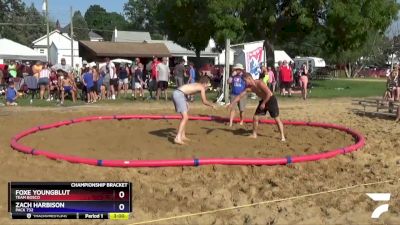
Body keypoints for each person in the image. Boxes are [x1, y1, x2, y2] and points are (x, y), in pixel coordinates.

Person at [228, 72, 286, 141]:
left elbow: (268, 93)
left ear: (249, 78)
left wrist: (263, 103)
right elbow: (240, 95)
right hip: (263, 101)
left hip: (271, 100)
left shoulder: (260, 83)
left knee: (276, 119)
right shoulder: (249, 88)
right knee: (255, 117)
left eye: (245, 81)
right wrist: (232, 103)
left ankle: (282, 137)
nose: (245, 83)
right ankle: (254, 134)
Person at [172, 76, 216, 145]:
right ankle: (178, 138)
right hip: (179, 94)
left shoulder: (196, 84)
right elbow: (204, 101)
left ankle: (182, 136)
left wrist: (185, 101)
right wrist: (212, 105)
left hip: (178, 93)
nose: (208, 87)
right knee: (185, 117)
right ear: (204, 83)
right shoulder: (201, 87)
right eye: (208, 84)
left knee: (185, 116)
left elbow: (186, 90)